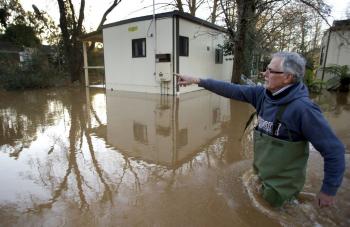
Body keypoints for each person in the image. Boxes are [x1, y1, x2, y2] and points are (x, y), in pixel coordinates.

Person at [177, 52, 345, 208]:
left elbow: (334, 151)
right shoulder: (262, 95)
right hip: (261, 176)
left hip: (281, 191)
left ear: (287, 77)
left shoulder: (303, 109)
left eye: (270, 71)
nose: (264, 73)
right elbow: (231, 89)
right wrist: (196, 80)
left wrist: (328, 191)